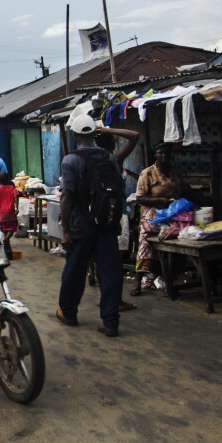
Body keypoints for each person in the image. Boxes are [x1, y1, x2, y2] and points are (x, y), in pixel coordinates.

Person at [56, 114, 124, 337]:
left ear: (75, 135)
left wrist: (65, 230)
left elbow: (67, 196)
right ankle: (110, 322)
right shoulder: (109, 157)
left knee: (74, 270)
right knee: (111, 272)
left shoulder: (70, 160)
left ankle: (68, 312)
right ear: (94, 133)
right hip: (106, 223)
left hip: (81, 225)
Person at [91, 125, 141, 312]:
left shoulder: (92, 159)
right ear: (112, 143)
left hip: (97, 213)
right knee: (115, 261)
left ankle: (105, 297)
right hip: (116, 213)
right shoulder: (114, 158)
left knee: (99, 259)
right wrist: (108, 130)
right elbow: (134, 135)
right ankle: (116, 300)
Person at [131, 142, 183, 296]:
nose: (164, 156)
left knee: (176, 243)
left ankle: (168, 281)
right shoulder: (147, 173)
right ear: (156, 155)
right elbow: (140, 198)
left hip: (171, 213)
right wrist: (160, 201)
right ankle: (137, 280)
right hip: (152, 215)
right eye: (161, 153)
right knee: (145, 244)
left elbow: (180, 191)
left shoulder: (174, 173)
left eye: (167, 153)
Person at [0, 172, 20, 257]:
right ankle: (6, 239)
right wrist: (16, 207)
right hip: (10, 211)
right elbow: (16, 196)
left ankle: (6, 241)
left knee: (4, 228)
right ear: (8, 180)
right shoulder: (11, 188)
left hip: (1, 213)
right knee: (12, 227)